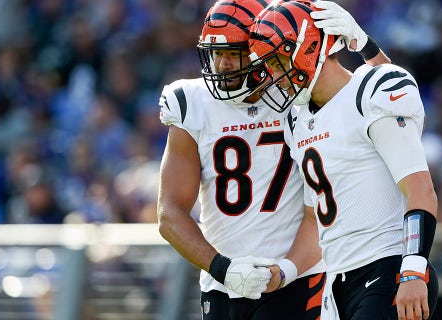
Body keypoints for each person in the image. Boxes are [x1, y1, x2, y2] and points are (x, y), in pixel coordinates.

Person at [156, 1, 390, 319]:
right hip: (221, 286)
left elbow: (390, 107)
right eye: (216, 53)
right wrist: (222, 267)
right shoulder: (191, 103)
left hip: (300, 279)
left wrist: (366, 47)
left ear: (261, 48)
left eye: (234, 53)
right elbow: (169, 212)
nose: (223, 65)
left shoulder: (298, 94)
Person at [247, 1, 439, 320]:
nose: (273, 74)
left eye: (278, 60)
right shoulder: (297, 120)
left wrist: (414, 270)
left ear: (309, 47)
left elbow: (422, 191)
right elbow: (314, 220)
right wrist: (285, 270)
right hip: (336, 281)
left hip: (388, 268)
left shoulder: (370, 92)